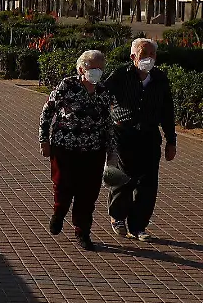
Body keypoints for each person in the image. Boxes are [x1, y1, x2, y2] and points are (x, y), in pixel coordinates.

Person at [102, 37, 177, 241]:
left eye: (152, 54)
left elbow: (167, 111)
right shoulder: (120, 75)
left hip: (149, 136)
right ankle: (117, 216)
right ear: (133, 56)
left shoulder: (160, 79)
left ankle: (138, 226)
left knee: (148, 183)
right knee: (123, 178)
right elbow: (102, 96)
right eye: (144, 55)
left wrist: (171, 141)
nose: (149, 59)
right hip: (123, 134)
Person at [39, 49, 114, 250]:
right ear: (81, 68)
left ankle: (82, 232)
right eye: (92, 68)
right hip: (65, 147)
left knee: (88, 193)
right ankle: (59, 212)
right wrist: (43, 139)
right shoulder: (67, 86)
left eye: (100, 68)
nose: (96, 72)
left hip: (93, 150)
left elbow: (108, 121)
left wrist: (111, 150)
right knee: (64, 185)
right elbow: (48, 111)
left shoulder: (103, 92)